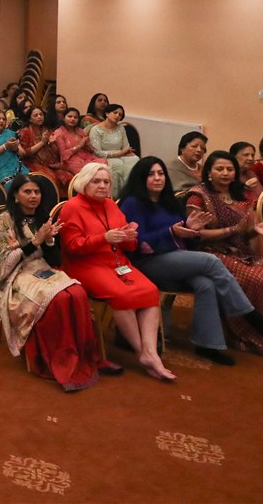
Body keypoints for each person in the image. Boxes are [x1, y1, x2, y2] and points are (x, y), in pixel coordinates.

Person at [119, 157, 263, 364]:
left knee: (205, 284)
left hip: (176, 260)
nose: (157, 178)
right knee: (211, 261)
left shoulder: (169, 201)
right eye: (151, 174)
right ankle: (250, 314)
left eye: (160, 173)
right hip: (147, 262)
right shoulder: (133, 203)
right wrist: (171, 232)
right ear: (140, 178)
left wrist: (190, 231)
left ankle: (207, 345)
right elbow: (136, 243)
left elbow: (186, 241)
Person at [0, 175, 108, 391]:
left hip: (41, 268)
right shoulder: (5, 220)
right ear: (16, 195)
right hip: (15, 275)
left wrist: (50, 241)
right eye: (27, 192)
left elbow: (54, 261)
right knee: (56, 299)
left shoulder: (43, 217)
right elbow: (4, 263)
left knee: (77, 292)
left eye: (37, 192)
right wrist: (36, 241)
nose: (33, 196)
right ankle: (55, 359)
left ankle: (83, 355)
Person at [59, 163, 175, 381]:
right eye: (96, 181)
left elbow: (127, 245)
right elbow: (72, 247)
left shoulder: (111, 205)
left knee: (151, 291)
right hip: (85, 265)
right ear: (84, 183)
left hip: (117, 262)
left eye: (106, 182)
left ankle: (150, 352)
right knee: (123, 295)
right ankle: (142, 353)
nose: (102, 186)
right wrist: (103, 238)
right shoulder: (72, 207)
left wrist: (130, 238)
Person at [185, 151, 263, 355]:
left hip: (242, 251)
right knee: (254, 280)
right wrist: (233, 230)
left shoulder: (240, 194)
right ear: (209, 172)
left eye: (229, 169)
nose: (225, 173)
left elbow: (245, 232)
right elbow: (196, 235)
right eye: (219, 169)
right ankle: (249, 334)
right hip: (212, 252)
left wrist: (254, 230)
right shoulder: (198, 196)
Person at [88, 103, 138, 198]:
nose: (117, 116)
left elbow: (126, 146)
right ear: (107, 113)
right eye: (115, 113)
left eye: (120, 115)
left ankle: (132, 194)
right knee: (118, 165)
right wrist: (120, 153)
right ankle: (116, 197)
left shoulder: (121, 128)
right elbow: (98, 152)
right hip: (105, 157)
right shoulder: (96, 130)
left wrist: (127, 152)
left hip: (122, 155)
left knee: (135, 160)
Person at [52, 107, 105, 191]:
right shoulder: (58, 133)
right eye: (70, 116)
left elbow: (89, 150)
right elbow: (64, 154)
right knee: (88, 172)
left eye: (75, 117)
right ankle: (90, 192)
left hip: (86, 157)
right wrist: (79, 146)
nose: (72, 119)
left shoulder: (80, 131)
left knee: (103, 162)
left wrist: (87, 145)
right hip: (70, 160)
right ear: (64, 118)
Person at [18, 107, 63, 185]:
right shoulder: (25, 131)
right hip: (32, 163)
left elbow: (56, 152)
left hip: (51, 163)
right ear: (30, 119)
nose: (39, 117)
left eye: (41, 114)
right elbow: (25, 153)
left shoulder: (46, 129)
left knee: (66, 176)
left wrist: (50, 143)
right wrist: (42, 142)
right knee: (51, 178)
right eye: (35, 115)